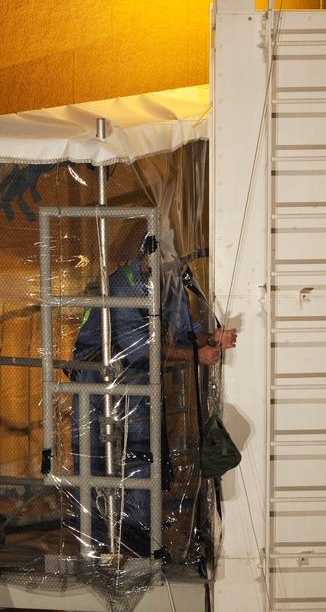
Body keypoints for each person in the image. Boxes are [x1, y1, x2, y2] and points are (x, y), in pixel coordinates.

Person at [68, 236, 236, 557]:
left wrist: (211, 337)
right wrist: (196, 357)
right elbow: (140, 350)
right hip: (93, 378)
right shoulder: (123, 285)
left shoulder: (165, 281)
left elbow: (185, 332)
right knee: (90, 459)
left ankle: (138, 536)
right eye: (163, 265)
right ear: (144, 256)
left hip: (133, 380)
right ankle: (90, 538)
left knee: (141, 452)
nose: (168, 273)